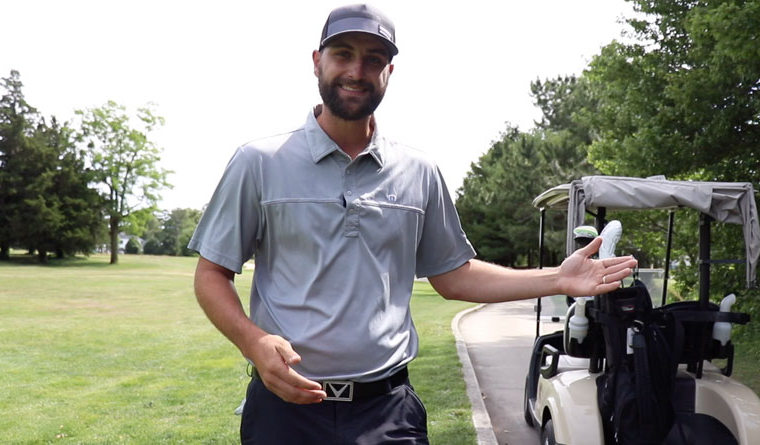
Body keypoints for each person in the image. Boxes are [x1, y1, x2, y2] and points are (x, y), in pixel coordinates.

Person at [189, 4, 637, 444]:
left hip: (387, 412)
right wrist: (253, 342)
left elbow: (453, 275)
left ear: (389, 72)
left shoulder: (418, 171)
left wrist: (557, 278)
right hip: (285, 412)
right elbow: (212, 273)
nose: (356, 70)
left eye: (374, 60)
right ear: (316, 62)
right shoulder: (259, 162)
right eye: (343, 53)